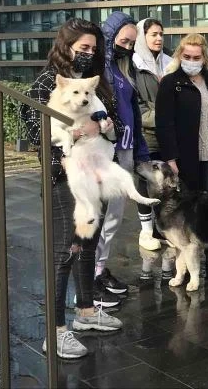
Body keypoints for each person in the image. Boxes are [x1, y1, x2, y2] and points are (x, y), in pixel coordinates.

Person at [20, 19, 122, 360]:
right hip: (65, 179)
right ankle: (56, 330)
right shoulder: (47, 83)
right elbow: (38, 134)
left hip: (97, 176)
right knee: (66, 251)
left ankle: (87, 311)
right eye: (83, 48)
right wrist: (84, 130)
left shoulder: (97, 84)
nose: (88, 54)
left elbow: (116, 123)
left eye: (93, 49)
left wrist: (103, 127)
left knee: (88, 245)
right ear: (66, 47)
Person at [156, 34, 208, 271]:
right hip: (185, 155)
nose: (191, 60)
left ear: (204, 57)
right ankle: (186, 256)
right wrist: (171, 157)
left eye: (196, 57)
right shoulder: (171, 82)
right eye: (187, 56)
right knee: (188, 205)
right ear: (180, 56)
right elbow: (164, 122)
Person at [96, 12, 151, 295]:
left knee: (114, 218)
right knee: (99, 218)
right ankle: (93, 273)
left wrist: (140, 155)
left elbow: (135, 118)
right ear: (110, 37)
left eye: (132, 43)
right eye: (124, 41)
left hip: (125, 151)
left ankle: (100, 268)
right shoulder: (100, 71)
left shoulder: (123, 68)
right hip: (106, 154)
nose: (128, 47)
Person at [132, 18, 172, 255]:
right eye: (153, 34)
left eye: (161, 34)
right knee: (146, 183)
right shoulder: (135, 66)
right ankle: (146, 230)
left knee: (165, 181)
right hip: (147, 134)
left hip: (168, 135)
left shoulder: (168, 62)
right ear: (142, 37)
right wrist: (166, 117)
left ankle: (162, 227)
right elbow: (138, 106)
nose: (158, 38)